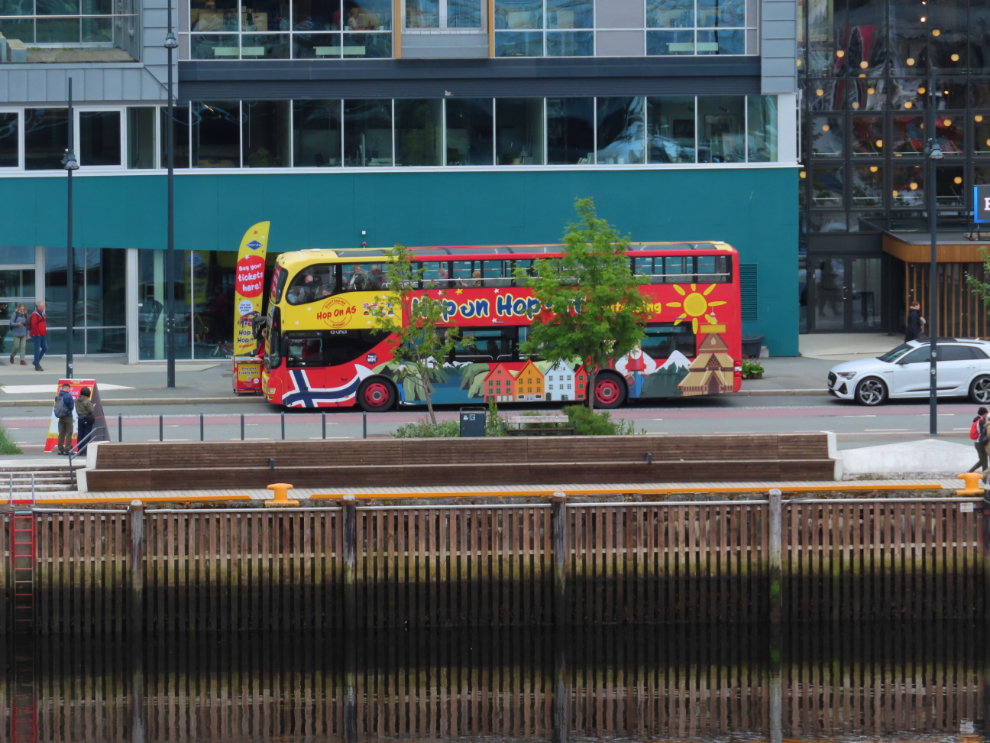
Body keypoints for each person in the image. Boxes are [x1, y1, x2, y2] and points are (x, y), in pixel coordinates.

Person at [54, 383, 75, 455]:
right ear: (67, 388)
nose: (69, 390)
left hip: (60, 416)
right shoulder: (68, 396)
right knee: (69, 433)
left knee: (61, 433)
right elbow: (71, 407)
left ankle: (60, 449)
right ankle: (67, 449)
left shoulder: (58, 396)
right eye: (69, 388)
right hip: (68, 416)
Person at [75, 386, 96, 455]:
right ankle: (85, 450)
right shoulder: (87, 400)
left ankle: (80, 450)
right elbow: (90, 411)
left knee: (80, 435)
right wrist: (93, 406)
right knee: (86, 435)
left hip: (80, 418)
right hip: (86, 418)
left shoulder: (77, 400)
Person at [30, 301, 47, 371]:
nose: (44, 307)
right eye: (42, 306)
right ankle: (37, 365)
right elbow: (33, 325)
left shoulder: (42, 313)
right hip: (37, 335)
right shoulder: (35, 314)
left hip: (42, 334)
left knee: (45, 348)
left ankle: (36, 361)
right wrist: (37, 333)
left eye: (44, 305)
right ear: (38, 307)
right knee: (37, 349)